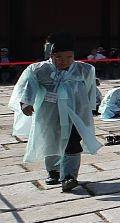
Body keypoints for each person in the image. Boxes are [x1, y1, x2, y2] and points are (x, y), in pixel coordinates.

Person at [10, 32, 101, 191]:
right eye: (58, 57)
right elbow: (27, 86)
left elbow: (90, 90)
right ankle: (53, 171)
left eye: (68, 57)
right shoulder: (38, 70)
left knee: (72, 142)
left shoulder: (84, 70)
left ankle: (69, 176)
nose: (64, 61)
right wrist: (26, 103)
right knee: (50, 140)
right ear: (50, 55)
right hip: (49, 113)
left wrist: (90, 107)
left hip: (75, 113)